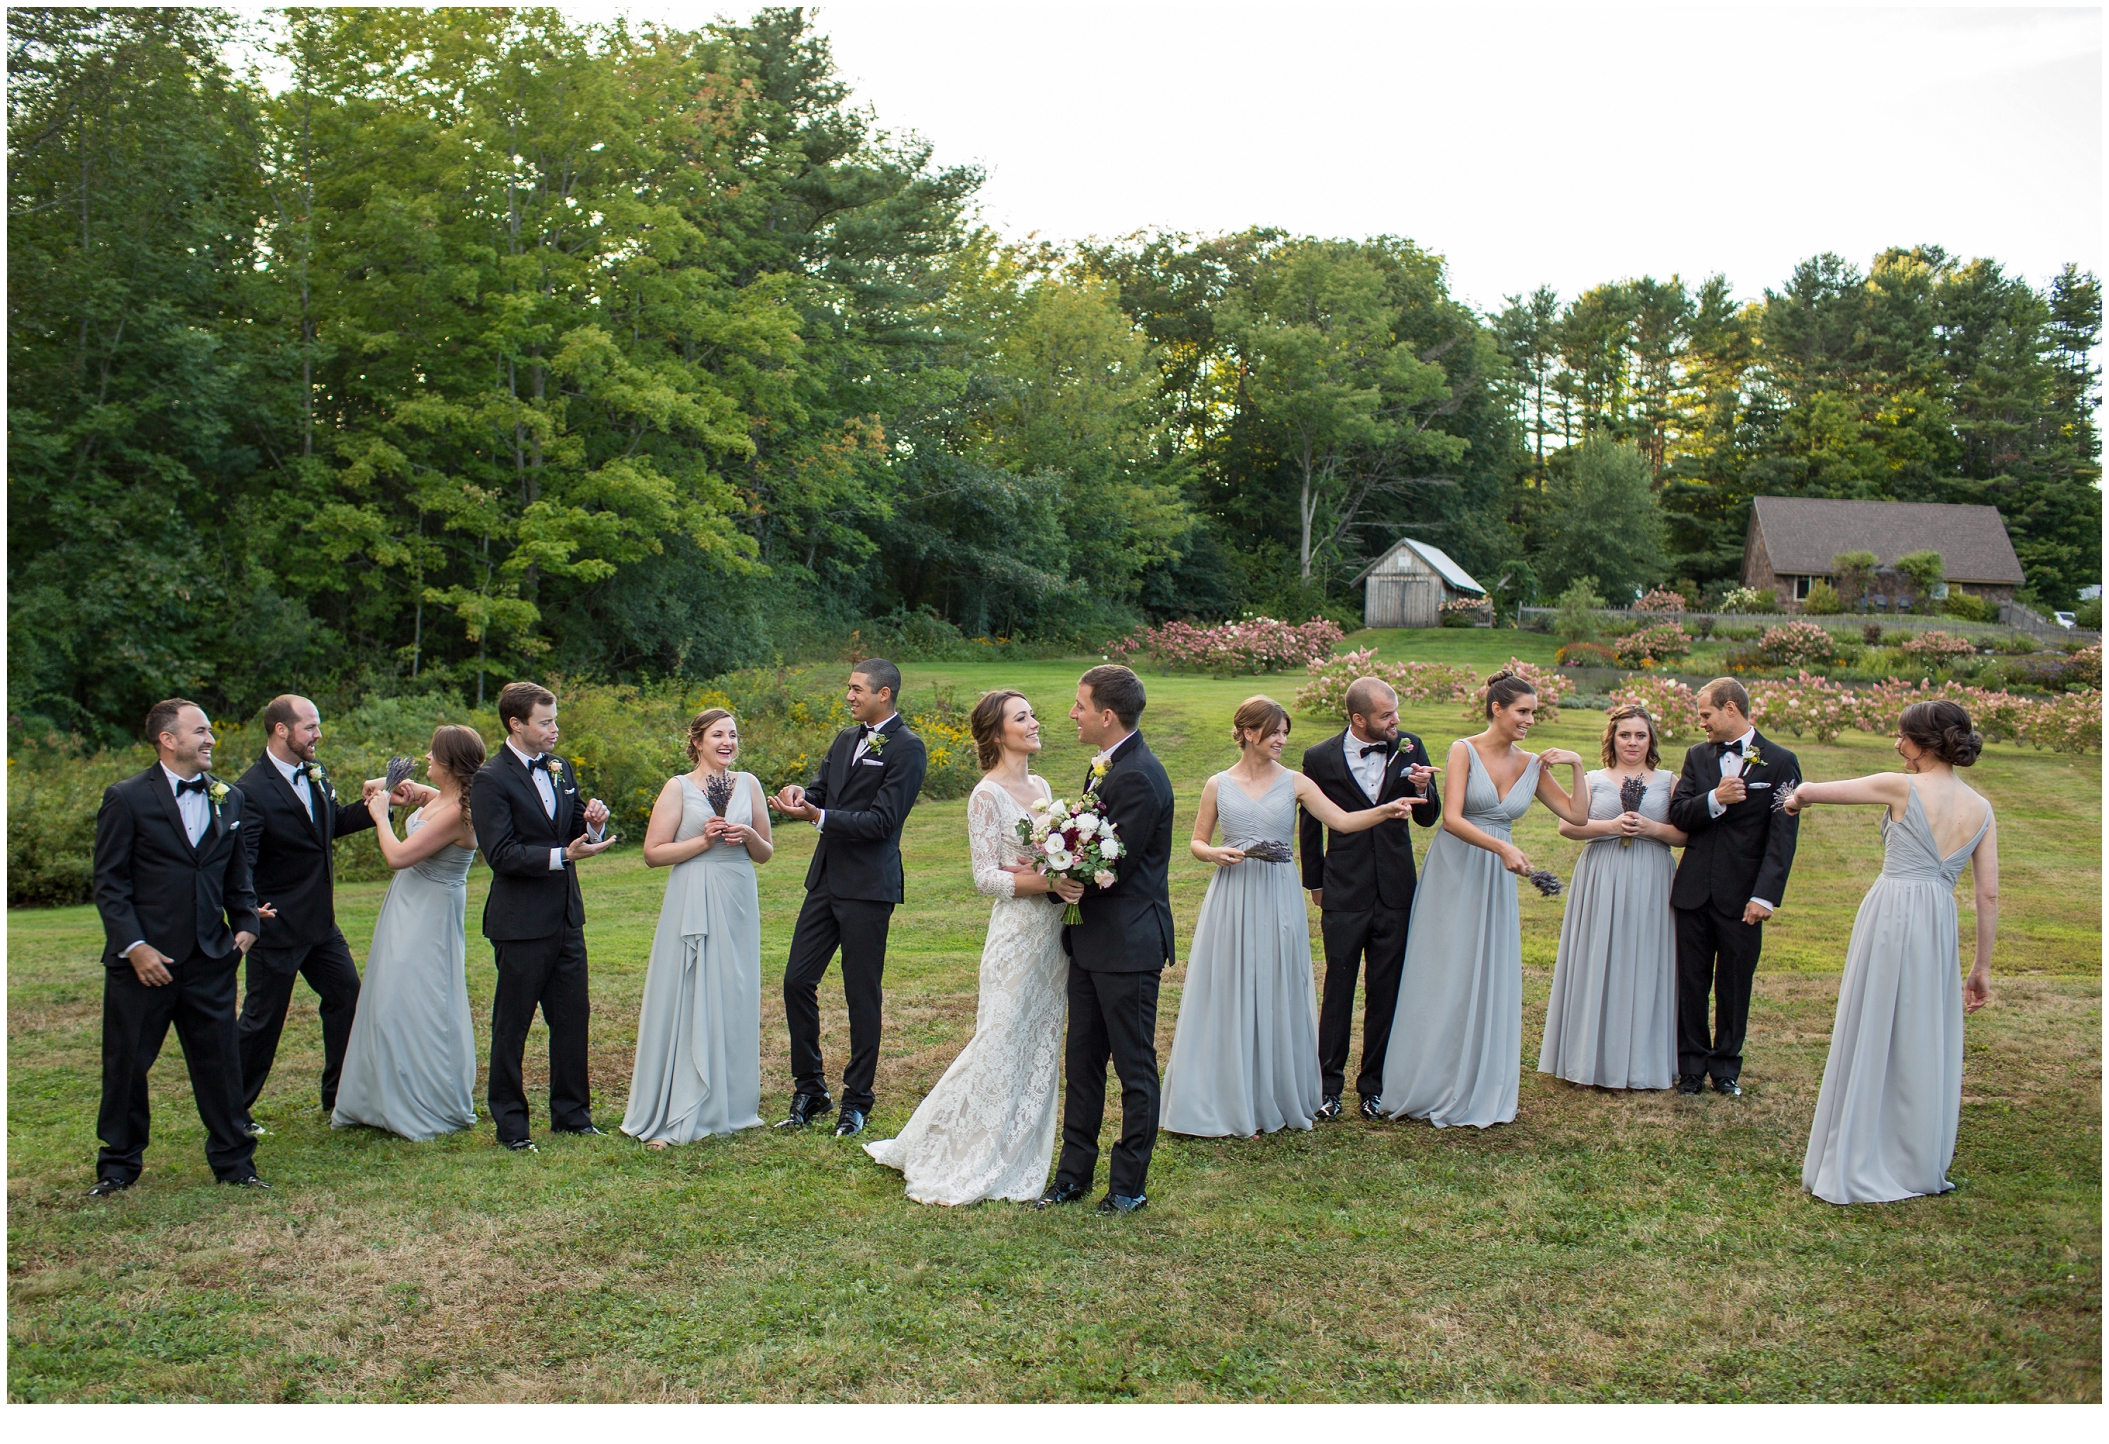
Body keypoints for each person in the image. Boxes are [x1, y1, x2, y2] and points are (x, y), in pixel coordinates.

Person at [1163, 696, 1415, 1138]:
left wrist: (1385, 810)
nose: (1281, 740)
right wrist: (1213, 853)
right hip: (1233, 895)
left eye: (1285, 732)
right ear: (1247, 732)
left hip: (1278, 896)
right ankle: (1226, 1092)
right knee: (1231, 985)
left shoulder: (1296, 782)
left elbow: (1341, 821)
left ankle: (1276, 1092)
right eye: (1274, 732)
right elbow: (1196, 841)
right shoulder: (1217, 784)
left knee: (1278, 982)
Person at [1787, 700, 1998, 1205]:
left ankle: (1860, 1152)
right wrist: (1981, 967)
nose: (1897, 745)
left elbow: (1818, 792)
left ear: (1924, 743)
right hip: (1938, 922)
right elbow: (1987, 894)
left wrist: (1796, 799)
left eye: (1902, 736)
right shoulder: (1982, 808)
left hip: (1892, 913)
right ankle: (1914, 1157)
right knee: (1923, 1032)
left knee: (1876, 1020)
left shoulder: (1900, 786)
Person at [865, 689, 1069, 1203]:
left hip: (1054, 936)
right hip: (1017, 935)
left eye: (1032, 713)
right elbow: (984, 877)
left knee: (1037, 1039)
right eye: (1023, 717)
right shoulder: (986, 795)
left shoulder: (1041, 784)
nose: (1034, 722)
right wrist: (1048, 881)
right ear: (998, 733)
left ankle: (1018, 1144)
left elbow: (1047, 856)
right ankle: (961, 1152)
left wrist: (1062, 867)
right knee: (998, 1040)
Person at [1380, 671, 1589, 1129]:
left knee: (1486, 970)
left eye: (1533, 712)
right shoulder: (1463, 750)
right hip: (1457, 868)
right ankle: (1428, 1081)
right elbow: (1450, 819)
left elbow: (1577, 814)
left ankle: (1478, 1082)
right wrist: (1503, 847)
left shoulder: (1532, 763)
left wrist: (1575, 765)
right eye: (1523, 711)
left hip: (1495, 880)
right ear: (1497, 708)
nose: (1530, 720)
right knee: (1444, 969)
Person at [88, 699, 267, 1194]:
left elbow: (237, 872)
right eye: (201, 731)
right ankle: (118, 1166)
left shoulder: (229, 798)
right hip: (144, 962)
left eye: (210, 731)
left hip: (210, 957)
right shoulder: (126, 798)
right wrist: (134, 946)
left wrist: (247, 920)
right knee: (126, 1064)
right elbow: (109, 883)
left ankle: (235, 1164)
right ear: (168, 739)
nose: (211, 739)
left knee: (222, 1066)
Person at [1035, 664, 1176, 1215]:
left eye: (1080, 705)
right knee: (1084, 1061)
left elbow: (1116, 865)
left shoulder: (1138, 775)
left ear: (1107, 715)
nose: (1073, 713)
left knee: (1134, 1067)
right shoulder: (1105, 767)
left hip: (1127, 943)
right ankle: (1073, 1176)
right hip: (1092, 942)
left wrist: (1059, 880)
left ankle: (1128, 1186)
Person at [768, 659, 929, 1138]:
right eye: (849, 688)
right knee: (797, 980)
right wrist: (801, 796)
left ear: (884, 693)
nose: (850, 696)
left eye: (857, 689)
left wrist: (820, 817)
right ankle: (810, 1089)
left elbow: (883, 823)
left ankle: (857, 1100)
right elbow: (821, 791)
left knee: (862, 994)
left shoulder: (908, 748)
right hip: (825, 880)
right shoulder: (845, 739)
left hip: (868, 887)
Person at [470, 681, 614, 1153]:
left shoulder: (560, 767)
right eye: (545, 721)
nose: (555, 729)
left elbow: (572, 829)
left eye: (554, 720)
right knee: (512, 1025)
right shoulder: (490, 778)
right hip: (519, 922)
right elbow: (501, 853)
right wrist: (561, 856)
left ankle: (573, 1116)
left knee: (573, 1018)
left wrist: (593, 822)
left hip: (566, 918)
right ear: (517, 724)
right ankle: (512, 1126)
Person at [622, 708, 774, 1147]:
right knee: (688, 990)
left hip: (737, 896)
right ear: (698, 741)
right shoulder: (679, 788)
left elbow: (765, 853)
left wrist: (747, 836)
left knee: (732, 991)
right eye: (718, 735)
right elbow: (653, 853)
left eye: (733, 734)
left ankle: (726, 1102)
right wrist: (702, 841)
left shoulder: (749, 784)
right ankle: (679, 1106)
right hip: (692, 892)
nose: (728, 742)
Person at [1298, 676, 1442, 1121]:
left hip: (1396, 887)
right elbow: (1309, 825)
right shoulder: (1319, 757)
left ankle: (1374, 1085)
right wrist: (1316, 883)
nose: (1396, 721)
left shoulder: (1410, 746)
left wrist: (1421, 789)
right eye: (1386, 715)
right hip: (1344, 887)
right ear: (1359, 719)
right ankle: (1328, 1085)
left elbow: (1429, 818)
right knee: (1338, 987)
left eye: (1396, 711)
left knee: (1387, 989)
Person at [331, 726, 484, 1140]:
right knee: (389, 998)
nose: (427, 758)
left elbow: (398, 856)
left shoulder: (458, 813)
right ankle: (378, 1096)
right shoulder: (445, 798)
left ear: (450, 764)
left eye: (433, 754)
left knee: (417, 998)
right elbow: (413, 791)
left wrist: (381, 816)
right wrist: (395, 787)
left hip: (428, 916)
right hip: (406, 909)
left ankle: (423, 1099)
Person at [233, 695, 377, 1136]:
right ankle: (231, 1111)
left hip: (320, 926)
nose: (318, 735)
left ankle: (338, 1097)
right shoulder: (250, 790)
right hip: (277, 926)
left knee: (348, 999)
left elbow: (329, 824)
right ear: (281, 730)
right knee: (262, 1023)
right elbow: (242, 859)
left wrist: (379, 805)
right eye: (310, 727)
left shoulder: (316, 773)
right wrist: (247, 908)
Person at [1537, 704, 1686, 1090]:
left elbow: (1686, 836)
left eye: (1640, 735)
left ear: (1650, 738)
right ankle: (1590, 1059)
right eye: (1625, 735)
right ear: (1612, 739)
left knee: (1645, 960)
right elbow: (1567, 827)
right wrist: (1612, 826)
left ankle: (1641, 1062)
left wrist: (1652, 827)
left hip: (1652, 876)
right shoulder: (1594, 778)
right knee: (1598, 957)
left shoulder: (1669, 780)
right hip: (1601, 875)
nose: (1632, 742)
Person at [1666, 678, 1801, 1097]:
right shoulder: (1696, 757)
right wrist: (1715, 798)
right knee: (1690, 982)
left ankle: (1725, 1068)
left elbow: (1783, 836)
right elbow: (1679, 814)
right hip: (1692, 892)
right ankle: (1690, 1067)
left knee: (1735, 983)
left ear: (1730, 709)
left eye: (1705, 714)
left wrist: (1764, 896)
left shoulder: (1780, 761)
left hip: (1743, 897)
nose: (1701, 722)